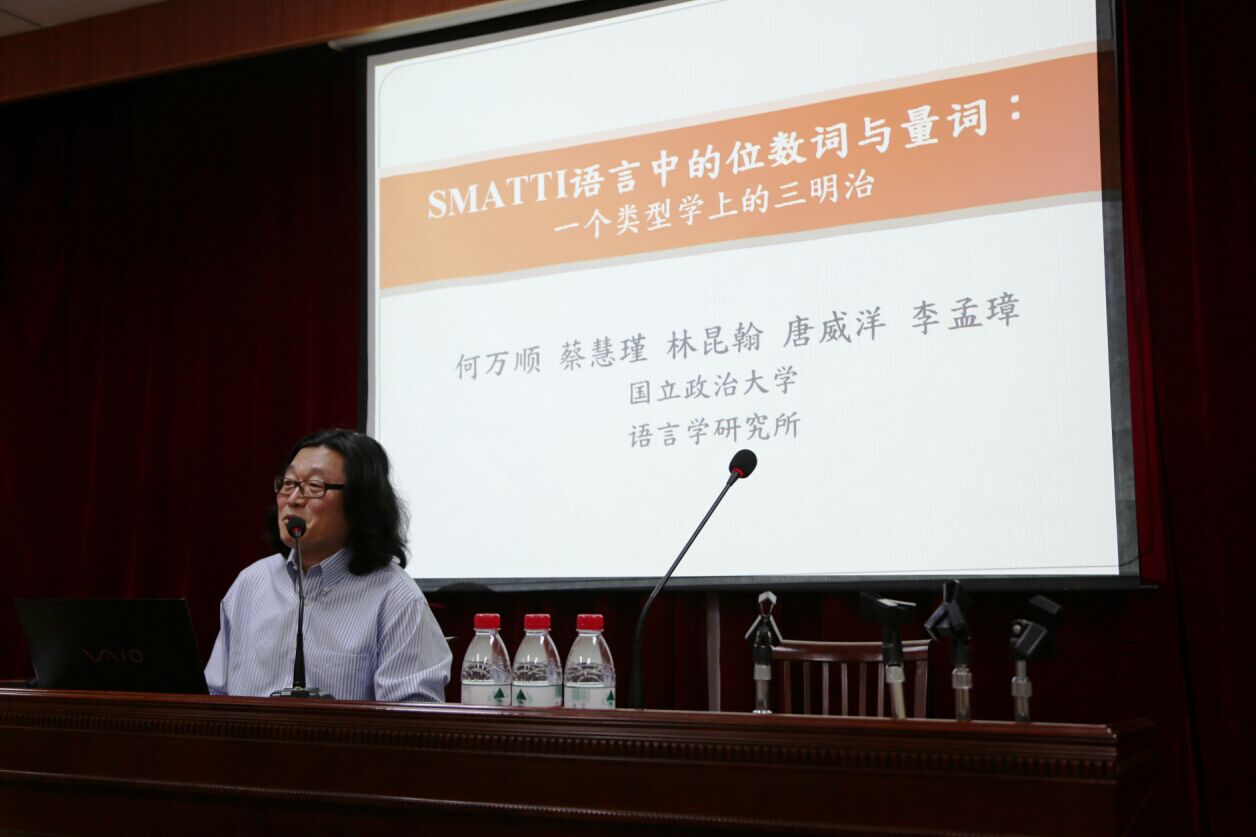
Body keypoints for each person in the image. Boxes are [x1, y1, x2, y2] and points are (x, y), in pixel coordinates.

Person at [205, 429, 451, 701]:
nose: (293, 498)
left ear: (359, 503)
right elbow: (213, 697)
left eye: (314, 486)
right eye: (288, 483)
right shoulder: (251, 584)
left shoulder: (396, 598)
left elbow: (412, 718)